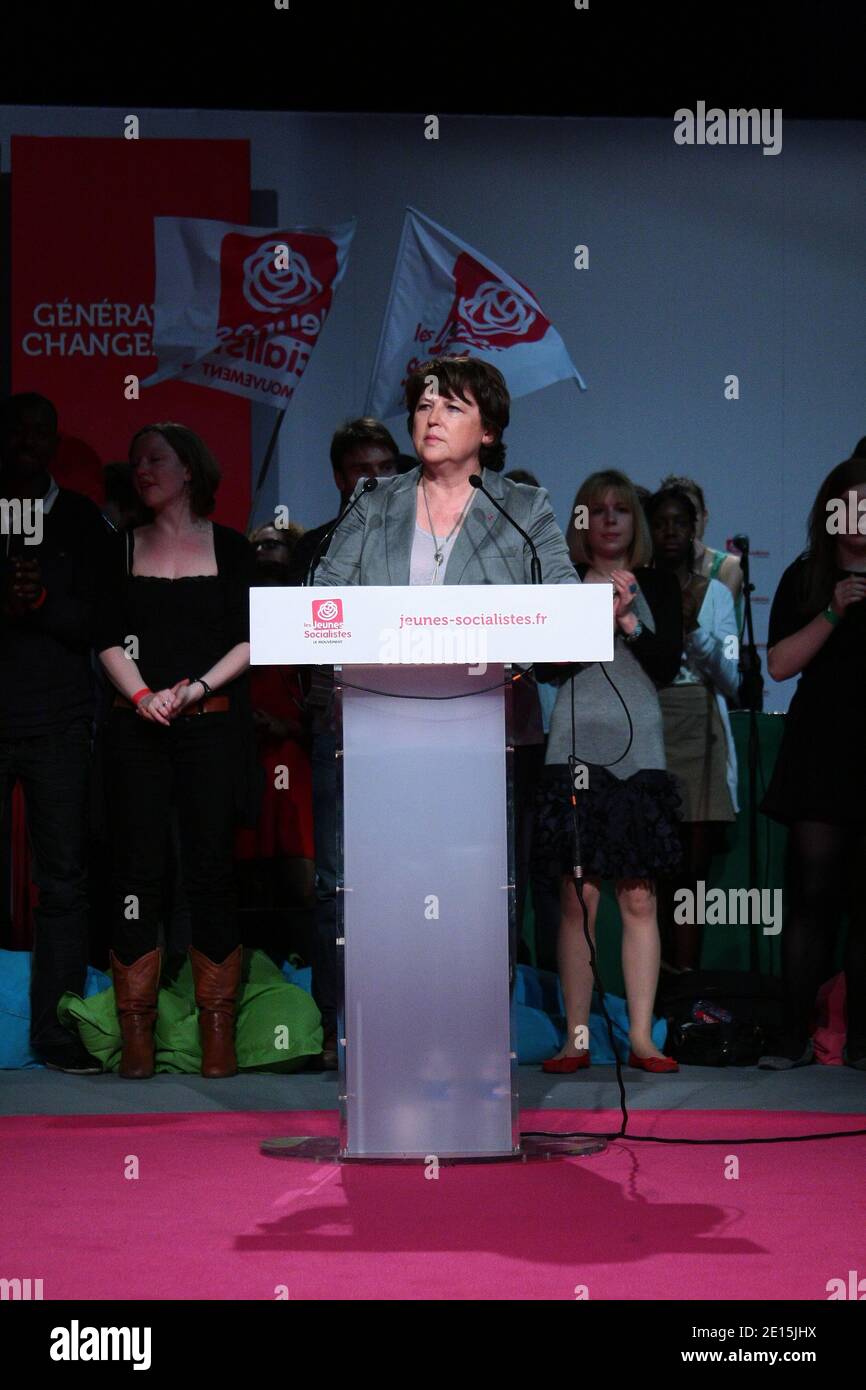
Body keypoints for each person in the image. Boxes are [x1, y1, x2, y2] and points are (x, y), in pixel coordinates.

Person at [94, 422, 257, 1079]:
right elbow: (105, 638)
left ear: (189, 468)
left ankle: (218, 1035)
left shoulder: (232, 548)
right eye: (135, 461)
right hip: (137, 730)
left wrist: (193, 688)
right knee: (136, 874)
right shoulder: (119, 549)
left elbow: (251, 640)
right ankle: (137, 1037)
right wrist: (143, 698)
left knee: (211, 870)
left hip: (211, 727)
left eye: (155, 459)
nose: (142, 470)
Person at [534, 469, 683, 1073]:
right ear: (581, 522)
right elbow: (546, 666)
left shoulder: (658, 583)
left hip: (639, 751)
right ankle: (576, 1036)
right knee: (579, 898)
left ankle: (643, 1037)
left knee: (640, 898)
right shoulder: (561, 582)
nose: (611, 518)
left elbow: (667, 664)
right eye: (597, 509)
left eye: (622, 509)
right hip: (572, 748)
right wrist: (596, 615)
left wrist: (629, 621)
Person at [0, 392, 110, 1073]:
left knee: (63, 882)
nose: (28, 442)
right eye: (17, 430)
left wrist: (43, 603)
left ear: (54, 441)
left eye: (42, 431)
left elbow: (103, 621)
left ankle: (57, 1029)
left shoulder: (78, 521)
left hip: (59, 723)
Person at [287, 418, 400, 1070]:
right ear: (338, 476)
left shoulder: (422, 543)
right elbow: (297, 634)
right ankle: (336, 1028)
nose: (375, 480)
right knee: (335, 885)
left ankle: (397, 1024)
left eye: (386, 467)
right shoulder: (317, 549)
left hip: (410, 726)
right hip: (337, 728)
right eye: (362, 469)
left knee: (405, 878)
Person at [758, 457, 866, 1069]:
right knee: (811, 901)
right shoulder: (807, 578)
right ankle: (790, 1036)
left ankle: (861, 1042)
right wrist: (832, 611)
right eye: (849, 503)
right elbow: (778, 666)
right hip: (822, 753)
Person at [647, 485, 741, 972]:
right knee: (652, 873)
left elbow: (730, 677)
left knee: (691, 875)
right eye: (659, 522)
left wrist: (694, 630)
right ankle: (653, 989)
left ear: (694, 529)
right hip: (647, 725)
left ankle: (687, 984)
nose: (669, 532)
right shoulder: (635, 587)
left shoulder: (716, 595)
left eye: (678, 523)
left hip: (699, 726)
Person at [235, 523, 314, 963]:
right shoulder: (234, 614)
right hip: (248, 757)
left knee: (299, 880)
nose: (265, 552)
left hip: (297, 760)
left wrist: (290, 728)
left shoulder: (308, 612)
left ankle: (303, 975)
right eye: (258, 544)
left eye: (275, 544)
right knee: (248, 878)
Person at [659, 474, 743, 628]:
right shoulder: (648, 568)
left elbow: (716, 630)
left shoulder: (728, 567)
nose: (687, 522)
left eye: (693, 513)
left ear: (705, 516)